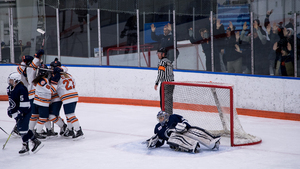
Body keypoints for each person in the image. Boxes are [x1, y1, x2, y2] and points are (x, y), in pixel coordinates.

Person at [146, 111, 221, 153]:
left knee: (192, 130)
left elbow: (183, 119)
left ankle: (212, 141)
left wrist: (185, 125)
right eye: (159, 118)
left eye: (161, 118)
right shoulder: (157, 127)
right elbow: (161, 141)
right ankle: (192, 146)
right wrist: (155, 143)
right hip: (173, 140)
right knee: (173, 136)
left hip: (183, 131)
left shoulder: (173, 117)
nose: (160, 120)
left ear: (165, 116)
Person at [7, 72, 43, 155]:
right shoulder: (10, 88)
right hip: (17, 111)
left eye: (11, 80)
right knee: (23, 128)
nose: (10, 81)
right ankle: (35, 141)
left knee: (22, 129)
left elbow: (25, 103)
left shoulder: (21, 88)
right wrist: (10, 110)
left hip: (25, 111)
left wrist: (20, 112)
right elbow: (11, 102)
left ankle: (25, 146)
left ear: (16, 80)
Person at [51, 65, 84, 139]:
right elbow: (74, 83)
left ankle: (79, 131)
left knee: (70, 114)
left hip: (67, 97)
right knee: (69, 115)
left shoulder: (56, 77)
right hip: (74, 95)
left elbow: (53, 89)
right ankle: (70, 130)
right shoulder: (69, 75)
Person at [154, 47, 174, 115]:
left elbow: (161, 74)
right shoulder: (169, 61)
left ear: (163, 54)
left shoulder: (162, 62)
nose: (158, 55)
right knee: (169, 100)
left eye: (159, 53)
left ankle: (165, 116)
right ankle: (169, 114)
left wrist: (157, 82)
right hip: (171, 83)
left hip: (165, 84)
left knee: (164, 101)